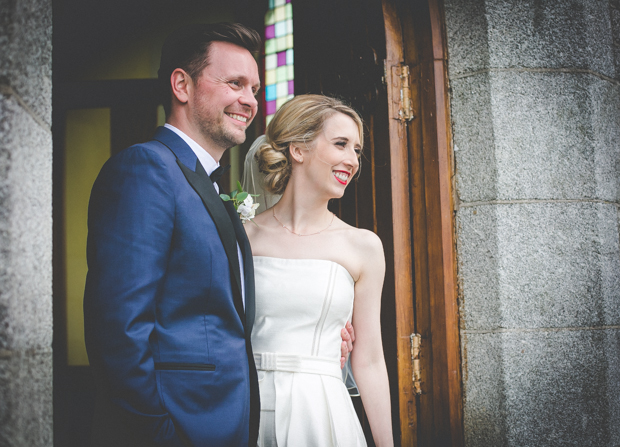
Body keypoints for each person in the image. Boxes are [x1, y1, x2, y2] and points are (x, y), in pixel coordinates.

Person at [243, 94, 394, 446]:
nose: (352, 160)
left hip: (322, 412)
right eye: (340, 144)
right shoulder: (243, 238)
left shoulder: (363, 247)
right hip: (246, 407)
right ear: (298, 149)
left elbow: (369, 360)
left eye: (356, 150)